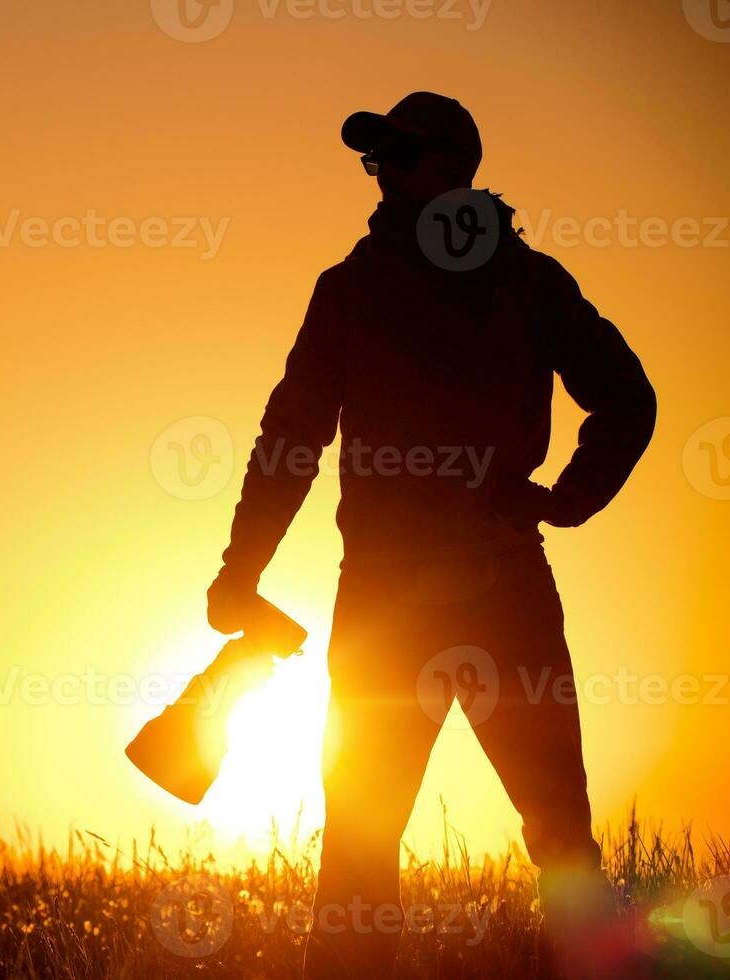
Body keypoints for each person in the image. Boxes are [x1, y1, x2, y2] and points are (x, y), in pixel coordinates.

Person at [205, 92, 656, 978]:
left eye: (401, 157)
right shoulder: (489, 282)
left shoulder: (409, 288)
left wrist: (568, 498)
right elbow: (290, 437)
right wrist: (239, 568)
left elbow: (292, 437)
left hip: (429, 600)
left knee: (509, 849)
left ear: (452, 168)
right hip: (457, 595)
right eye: (377, 161)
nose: (383, 174)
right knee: (463, 852)